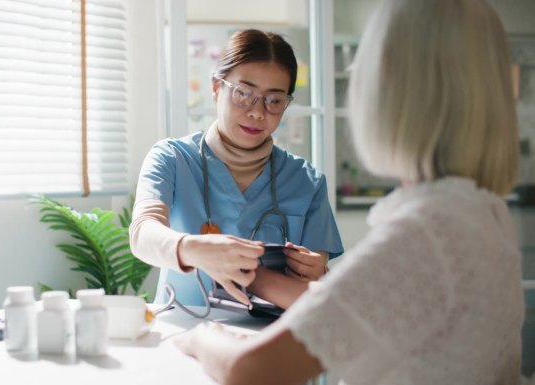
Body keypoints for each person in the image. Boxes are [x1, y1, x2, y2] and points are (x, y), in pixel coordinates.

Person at [174, 0, 524, 384]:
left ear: (385, 76)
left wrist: (204, 337)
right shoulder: (484, 215)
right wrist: (254, 275)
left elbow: (251, 370)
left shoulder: (426, 235)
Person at [129, 29, 344, 309]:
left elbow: (312, 295)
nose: (257, 111)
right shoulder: (171, 158)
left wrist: (318, 274)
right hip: (181, 330)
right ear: (216, 88)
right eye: (244, 94)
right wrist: (193, 249)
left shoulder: (307, 181)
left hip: (269, 341)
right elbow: (143, 233)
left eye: (274, 100)